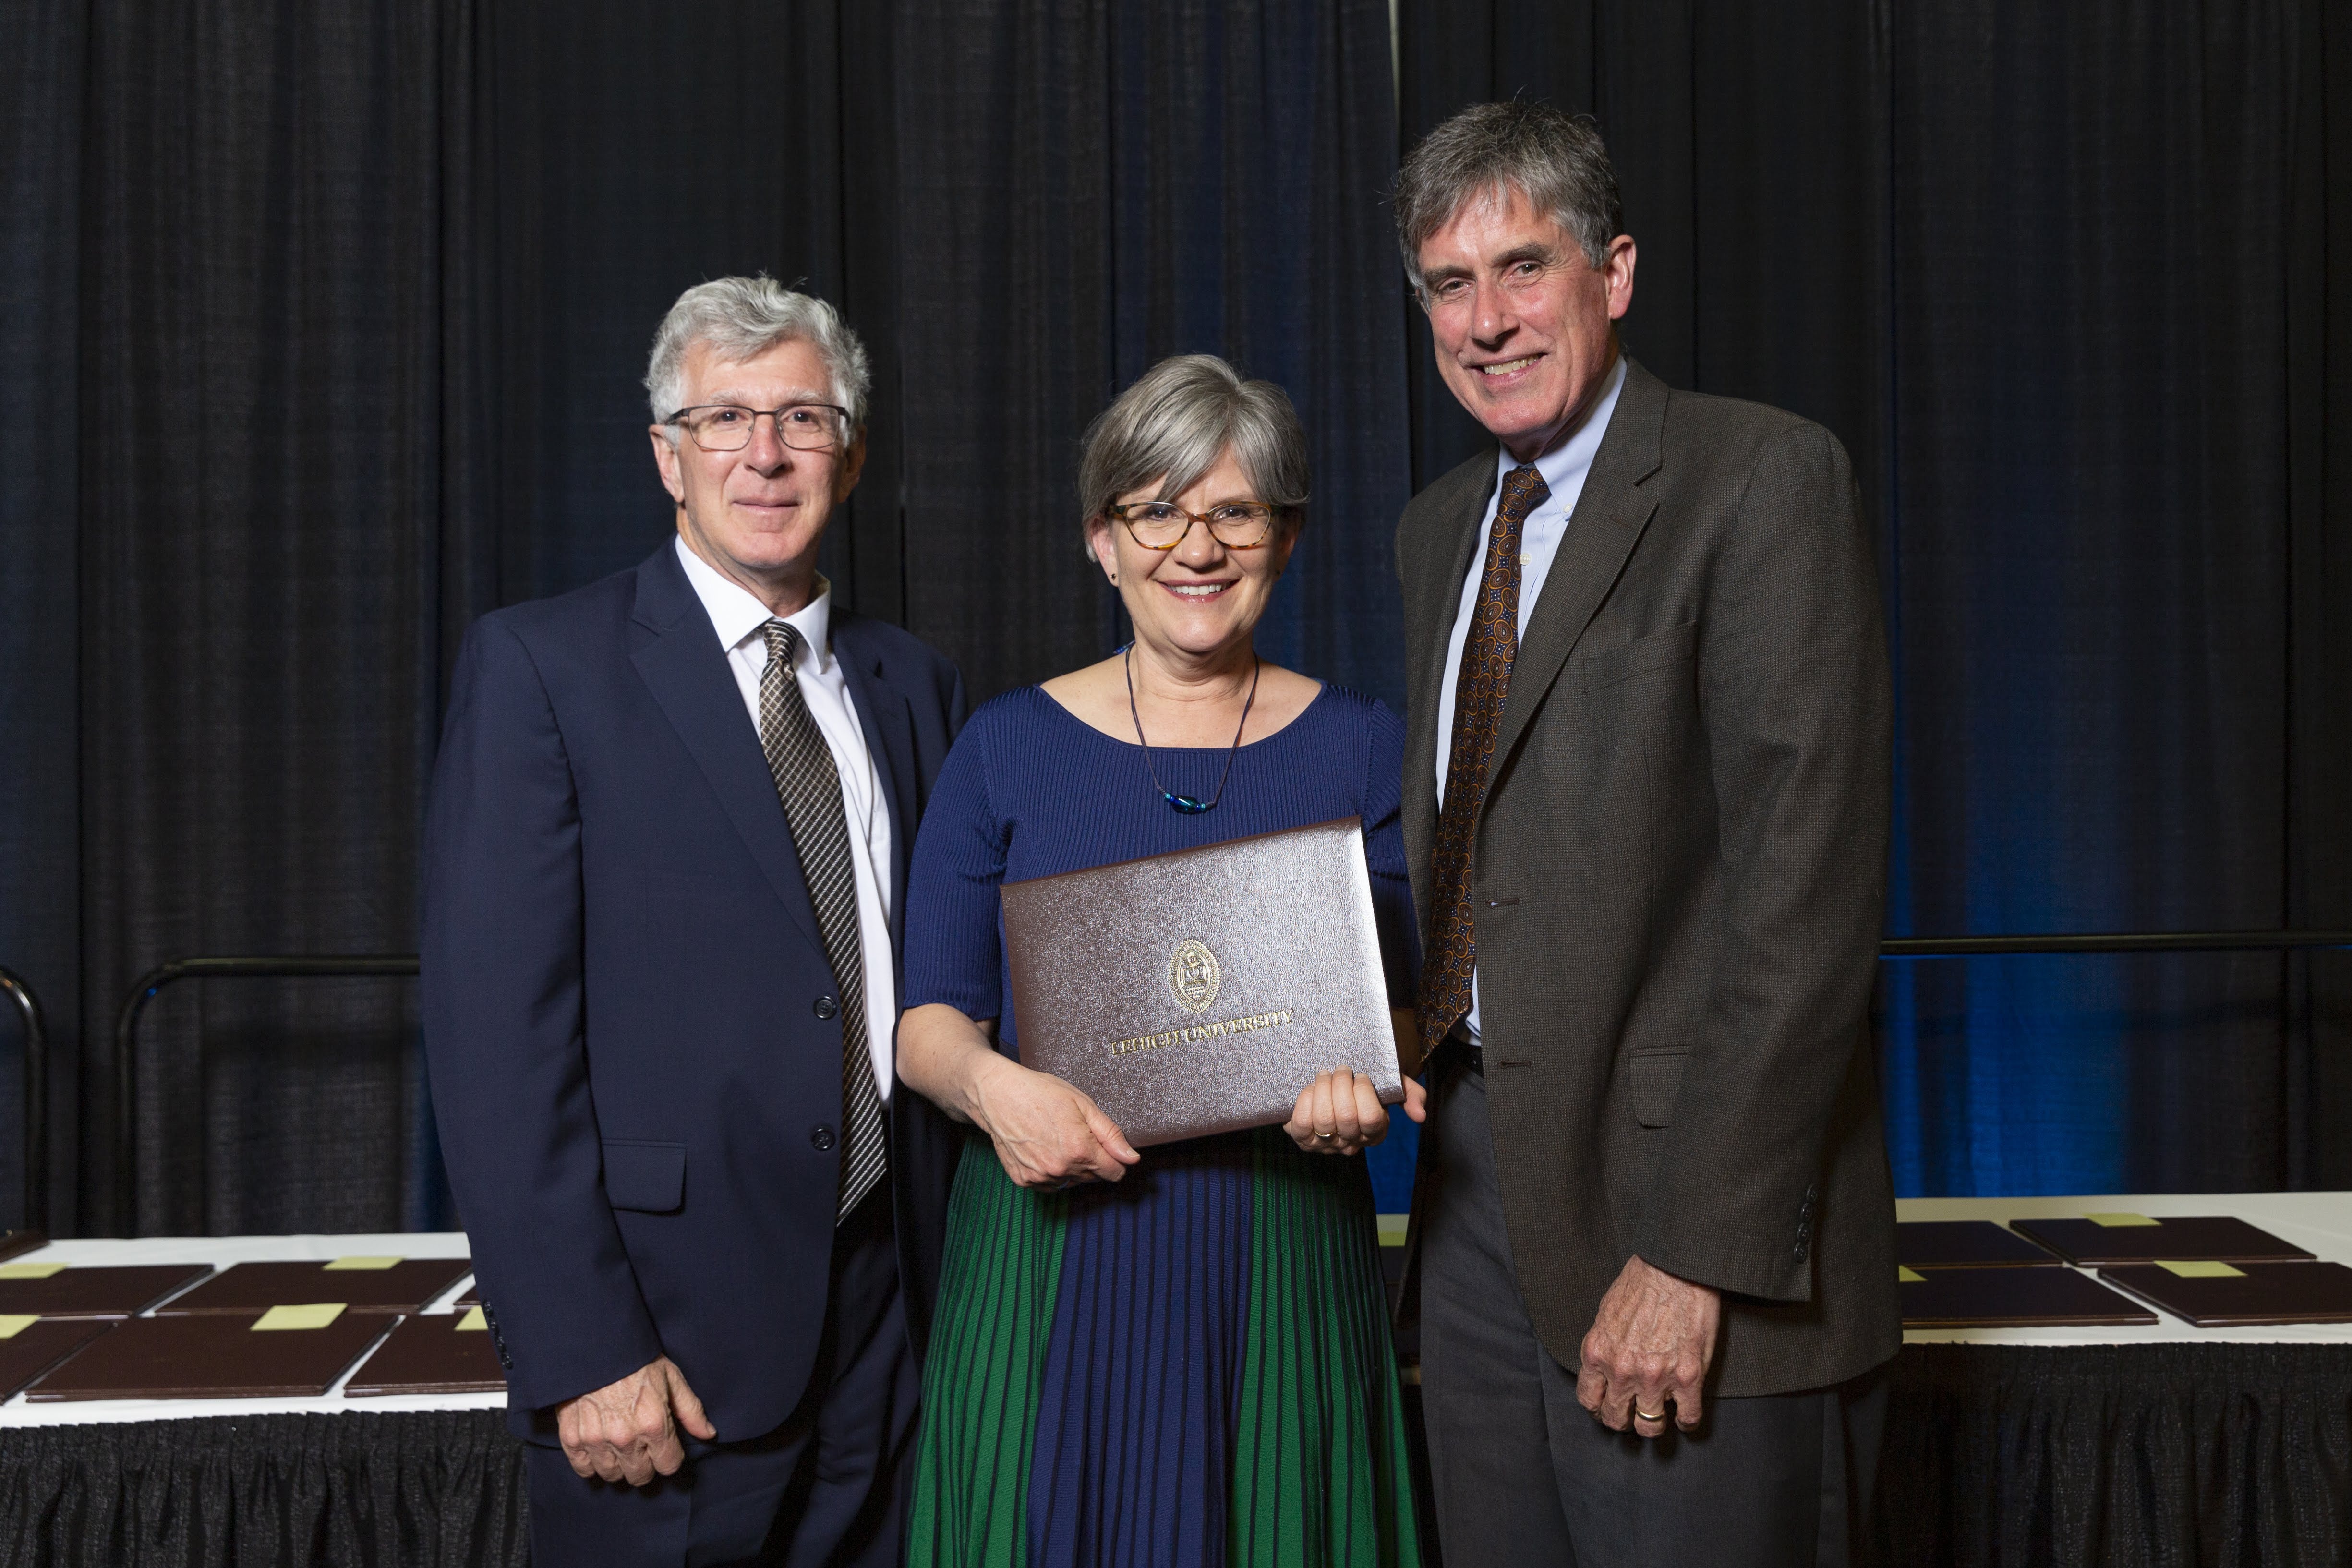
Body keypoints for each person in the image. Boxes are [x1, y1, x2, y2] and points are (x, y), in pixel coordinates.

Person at [1389, 102, 1900, 1562]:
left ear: (1610, 274)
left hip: (1686, 1215)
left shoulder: (1759, 480)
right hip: (1475, 1202)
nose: (1485, 321)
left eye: (1521, 269)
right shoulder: (1439, 529)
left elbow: (1802, 905)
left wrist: (1692, 1251)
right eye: (1447, 284)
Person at [420, 276, 966, 1567]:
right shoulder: (542, 670)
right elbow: (496, 1044)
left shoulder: (911, 685)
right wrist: (580, 1348)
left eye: (801, 419)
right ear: (667, 457)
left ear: (853, 450)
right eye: (723, 420)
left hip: (894, 1328)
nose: (764, 454)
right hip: (664, 1351)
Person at [894, 354, 1426, 1568]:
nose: (1197, 545)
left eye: (1234, 510)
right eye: (1156, 510)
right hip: (1047, 1262)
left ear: (1283, 537)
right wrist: (995, 1093)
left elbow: (1404, 1007)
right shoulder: (1004, 747)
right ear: (1102, 537)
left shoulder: (1364, 747)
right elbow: (928, 1020)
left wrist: (1372, 1077)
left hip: (1282, 1263)